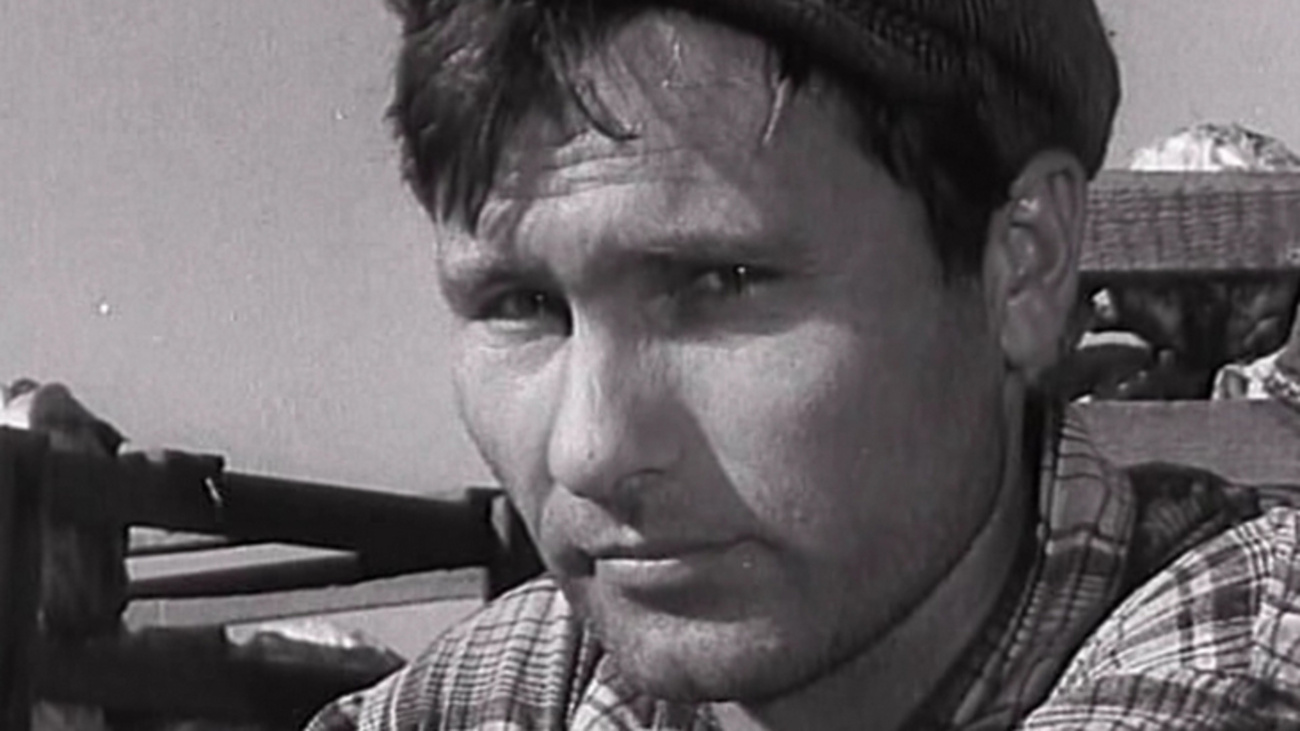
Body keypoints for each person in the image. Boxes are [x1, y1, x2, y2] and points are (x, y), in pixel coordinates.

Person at [18, 1, 1300, 729]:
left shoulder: (1238, 654)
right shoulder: (529, 684)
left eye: (720, 282)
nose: (588, 450)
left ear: (1022, 268)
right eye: (521, 304)